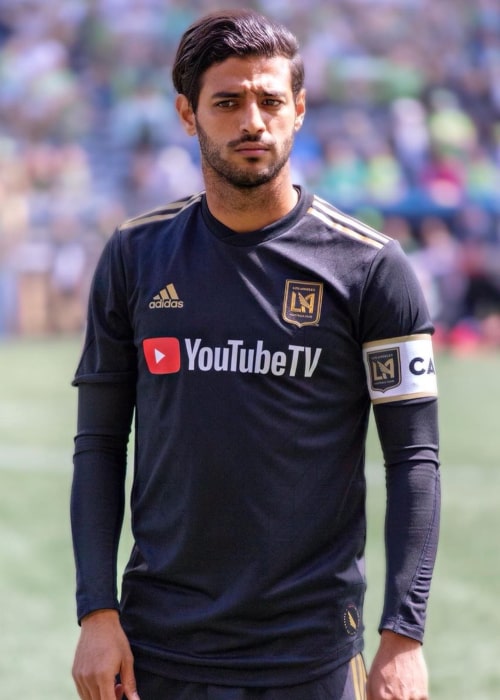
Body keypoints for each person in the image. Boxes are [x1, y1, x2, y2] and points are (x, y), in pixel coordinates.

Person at [70, 9, 440, 700]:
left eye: (271, 101)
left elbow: (414, 459)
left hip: (311, 651)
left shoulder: (371, 268)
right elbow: (98, 442)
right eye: (228, 102)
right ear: (187, 114)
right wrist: (95, 611)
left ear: (299, 111)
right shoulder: (134, 255)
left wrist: (403, 634)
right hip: (160, 646)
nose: (252, 120)